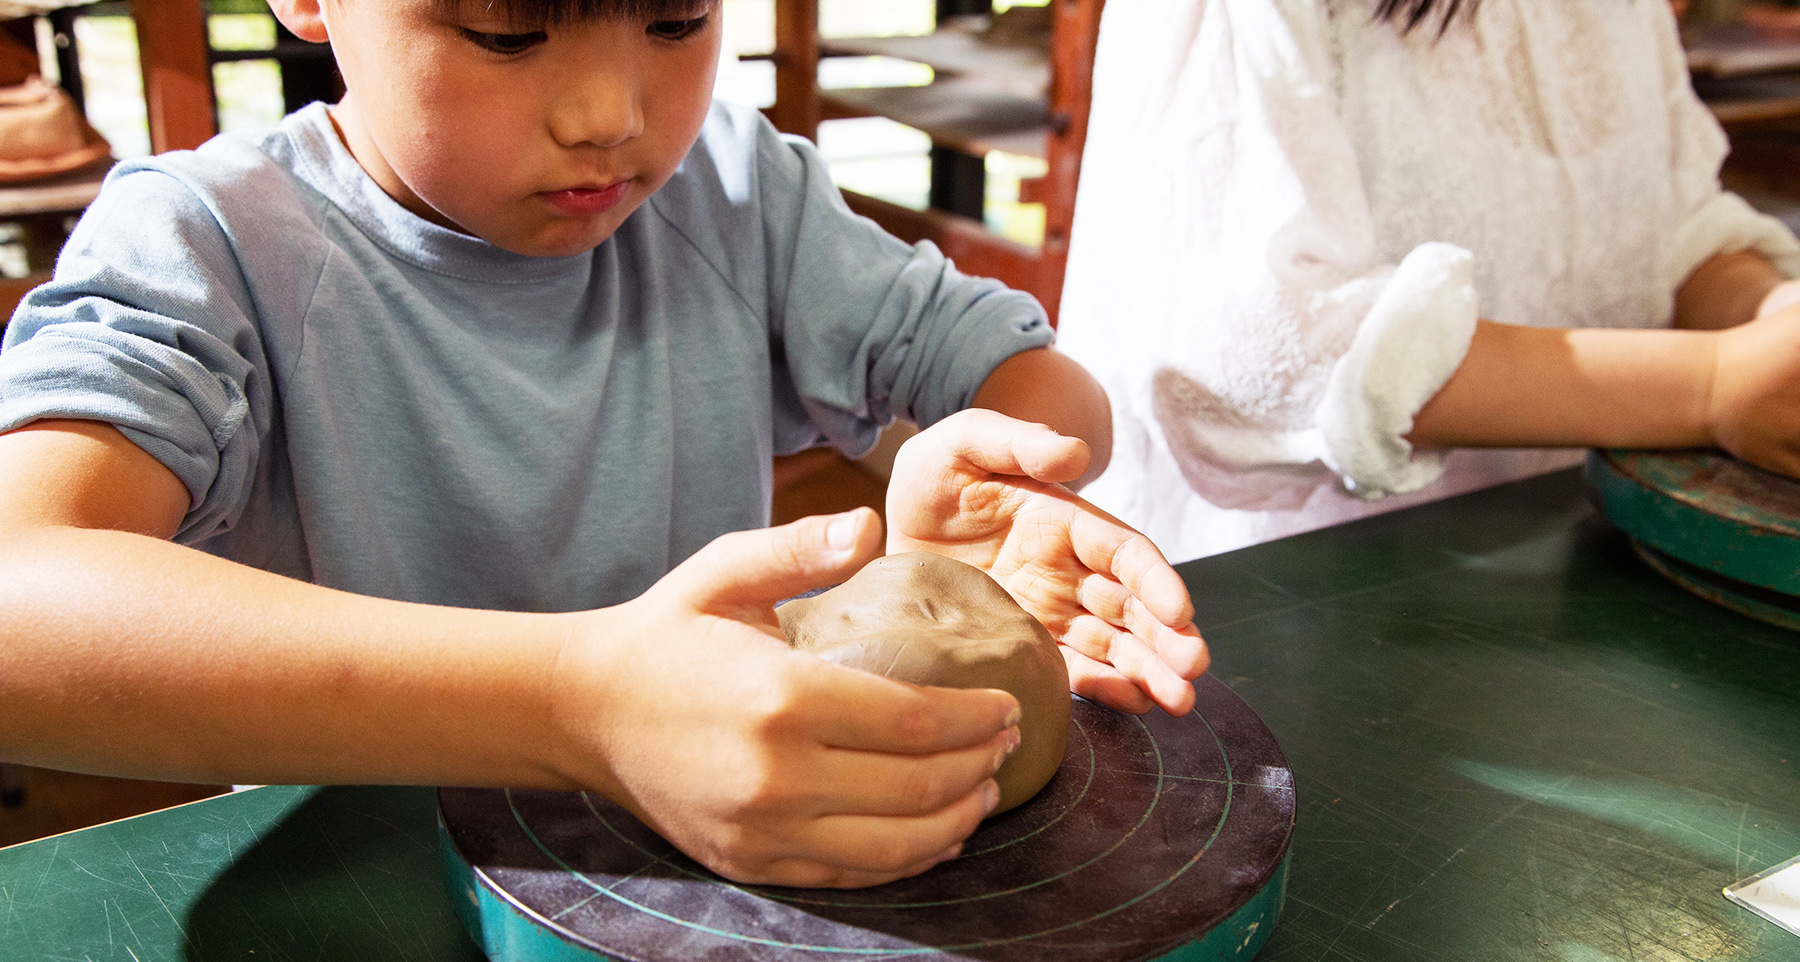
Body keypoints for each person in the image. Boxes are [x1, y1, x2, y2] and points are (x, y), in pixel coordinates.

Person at [0, 0, 1208, 889]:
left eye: (676, 19)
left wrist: (992, 463)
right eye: (505, 33)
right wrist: (585, 706)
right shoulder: (209, 247)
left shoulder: (737, 195)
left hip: (740, 879)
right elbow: (21, 605)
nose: (610, 117)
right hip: (373, 887)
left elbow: (1035, 379)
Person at [1057, 0, 1800, 562]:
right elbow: (1255, 362)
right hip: (1294, 622)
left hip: (1566, 575)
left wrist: (1772, 321)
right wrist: (1711, 387)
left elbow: (1672, 233)